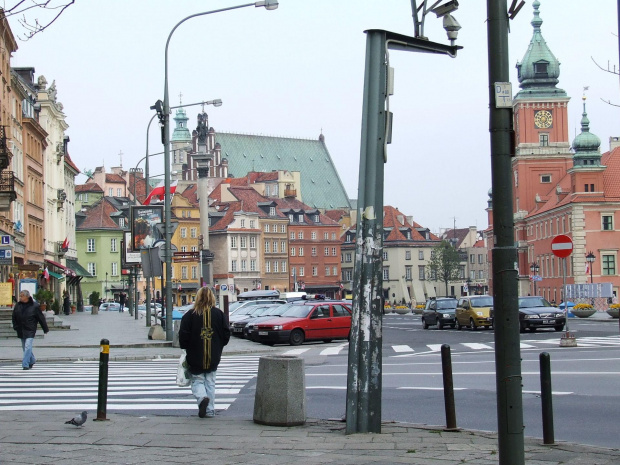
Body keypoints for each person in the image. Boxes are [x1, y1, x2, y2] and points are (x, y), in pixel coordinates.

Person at [178, 287, 230, 418]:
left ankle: (202, 399)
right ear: (212, 298)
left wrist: (185, 347)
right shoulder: (219, 314)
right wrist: (218, 346)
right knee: (210, 382)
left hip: (195, 354)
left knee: (197, 380)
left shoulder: (190, 315)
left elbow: (183, 335)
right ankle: (210, 410)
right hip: (213, 355)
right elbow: (226, 334)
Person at [12, 289, 49, 370]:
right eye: (20, 296)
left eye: (22, 296)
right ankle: (32, 360)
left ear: (27, 297)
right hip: (20, 329)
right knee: (24, 347)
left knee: (28, 346)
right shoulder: (18, 305)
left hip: (30, 329)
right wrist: (15, 326)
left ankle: (25, 364)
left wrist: (45, 328)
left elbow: (41, 318)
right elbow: (14, 316)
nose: (20, 298)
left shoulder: (34, 306)